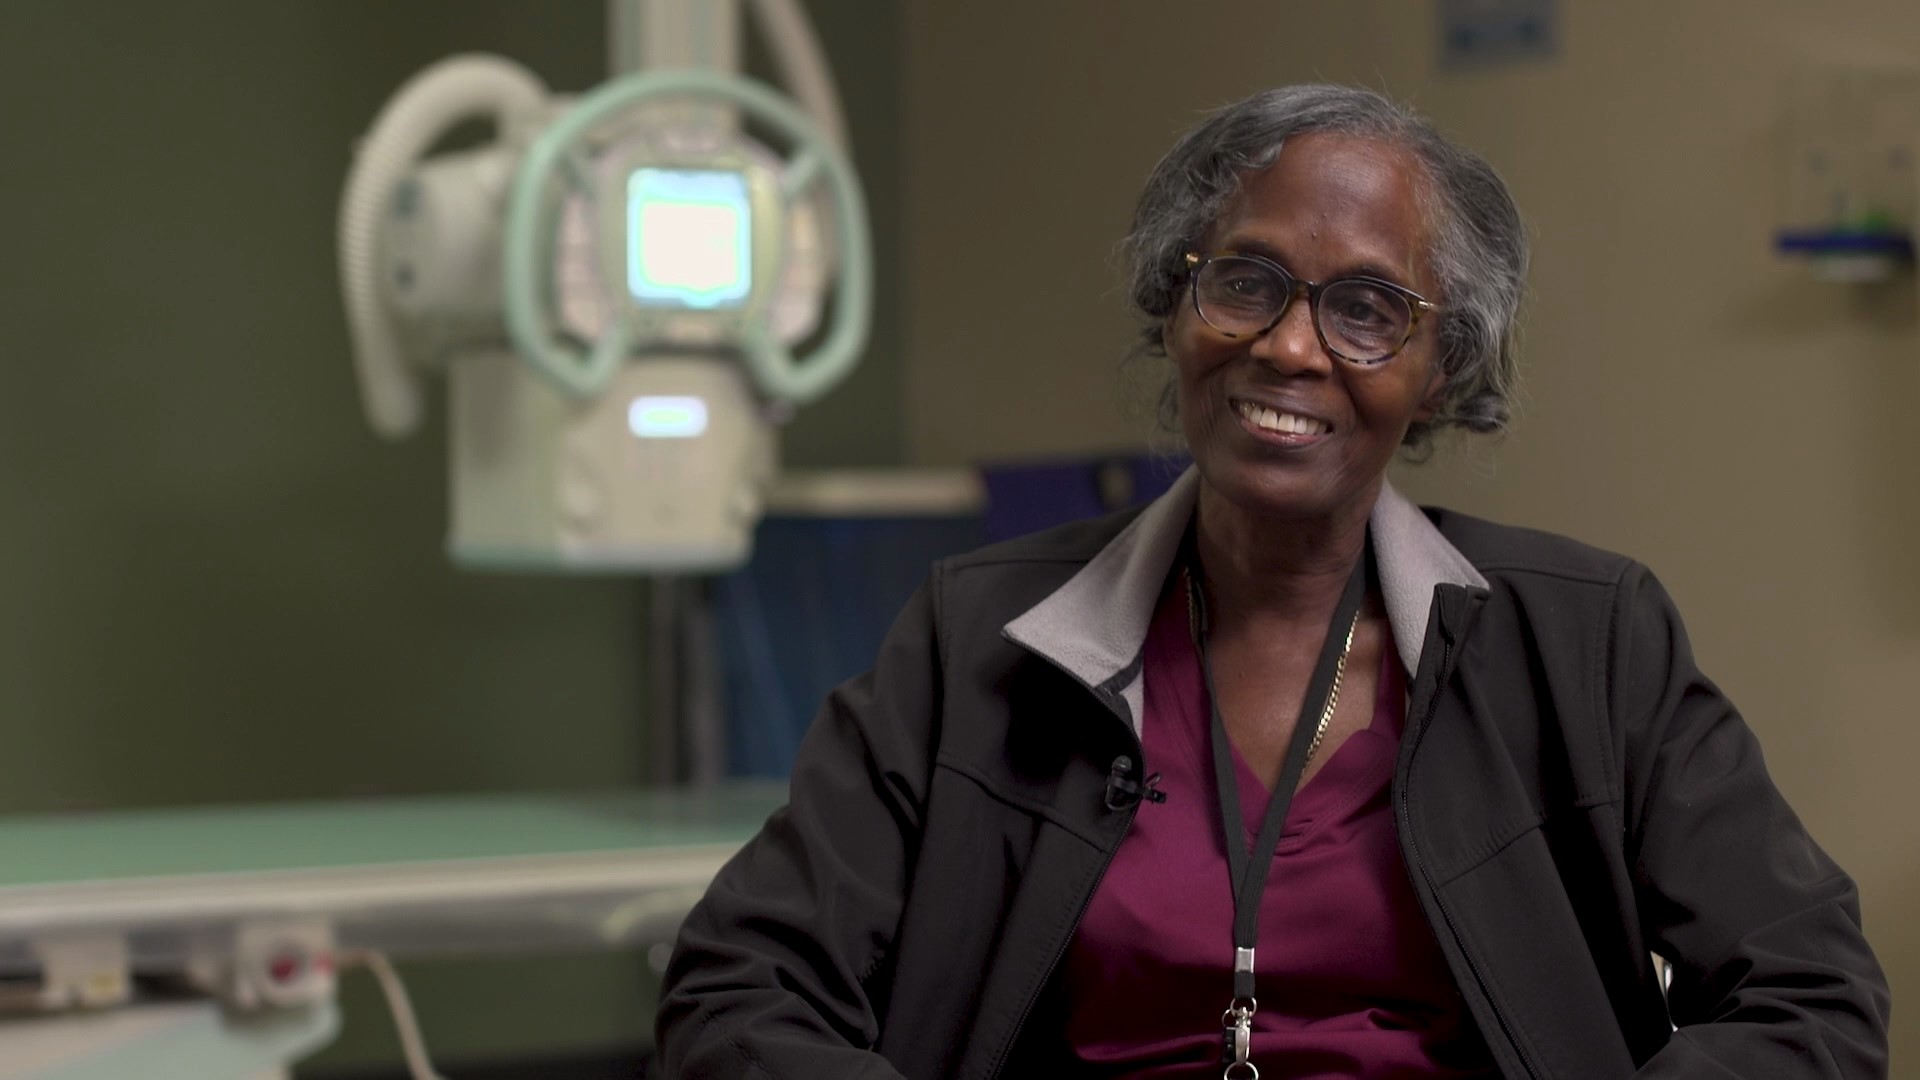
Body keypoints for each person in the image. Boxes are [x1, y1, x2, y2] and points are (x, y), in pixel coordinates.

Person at [655, 84, 1891, 1078]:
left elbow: (1812, 1000)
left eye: (1367, 310)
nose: (1290, 347)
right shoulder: (978, 635)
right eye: (1244, 282)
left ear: (1443, 368)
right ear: (1175, 304)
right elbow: (739, 990)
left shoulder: (1587, 640)